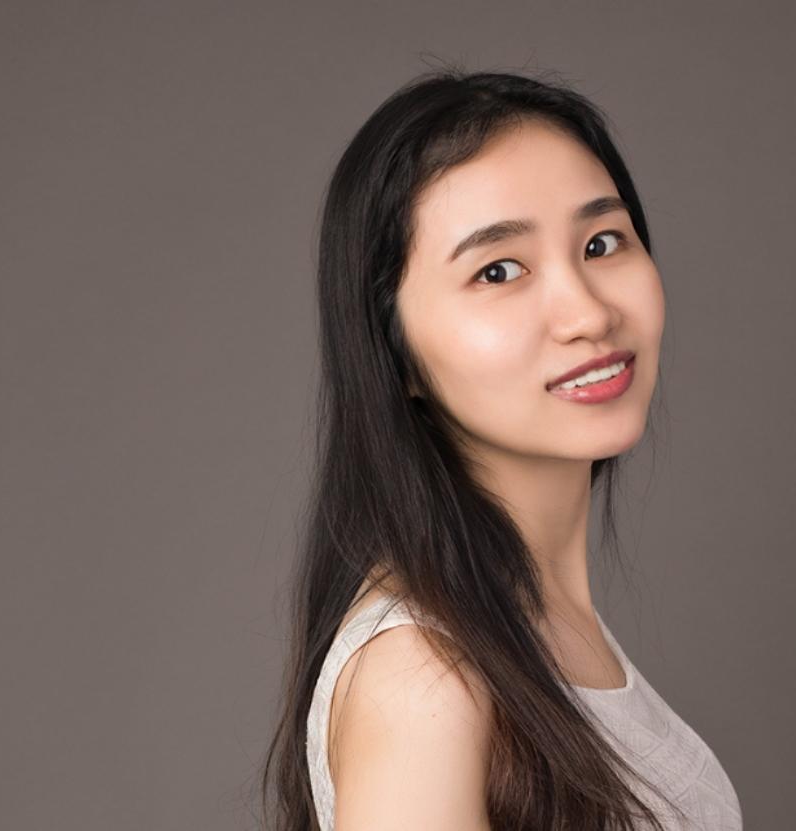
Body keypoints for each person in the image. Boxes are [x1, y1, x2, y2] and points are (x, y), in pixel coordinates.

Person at [257, 66, 742, 830]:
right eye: (498, 270)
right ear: (395, 353)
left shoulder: (527, 625)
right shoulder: (424, 677)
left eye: (602, 242)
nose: (587, 313)